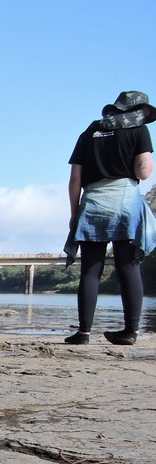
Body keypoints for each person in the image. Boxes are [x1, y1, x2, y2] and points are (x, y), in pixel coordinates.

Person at [64, 91, 155, 346]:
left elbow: (75, 179)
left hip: (93, 204)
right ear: (137, 110)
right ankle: (131, 331)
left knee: (90, 270)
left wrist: (74, 215)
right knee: (128, 267)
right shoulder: (139, 130)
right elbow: (144, 172)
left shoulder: (91, 130)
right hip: (125, 204)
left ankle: (83, 333)